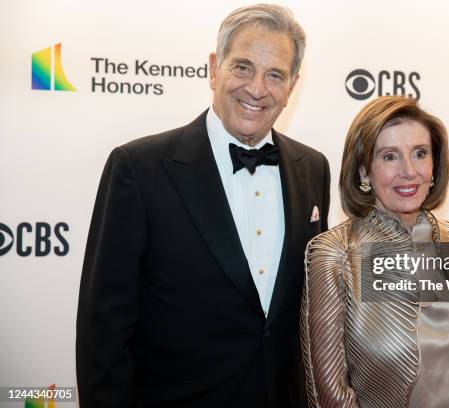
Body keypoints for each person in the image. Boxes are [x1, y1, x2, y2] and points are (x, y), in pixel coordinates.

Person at [76, 4, 330, 407]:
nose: (257, 88)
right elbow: (104, 329)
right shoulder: (139, 169)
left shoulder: (312, 168)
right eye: (242, 67)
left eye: (275, 75)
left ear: (292, 86)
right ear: (214, 68)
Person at [300, 96, 449, 407]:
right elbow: (330, 394)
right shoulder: (335, 254)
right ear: (365, 170)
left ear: (435, 164)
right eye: (390, 156)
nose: (409, 171)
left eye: (420, 154)